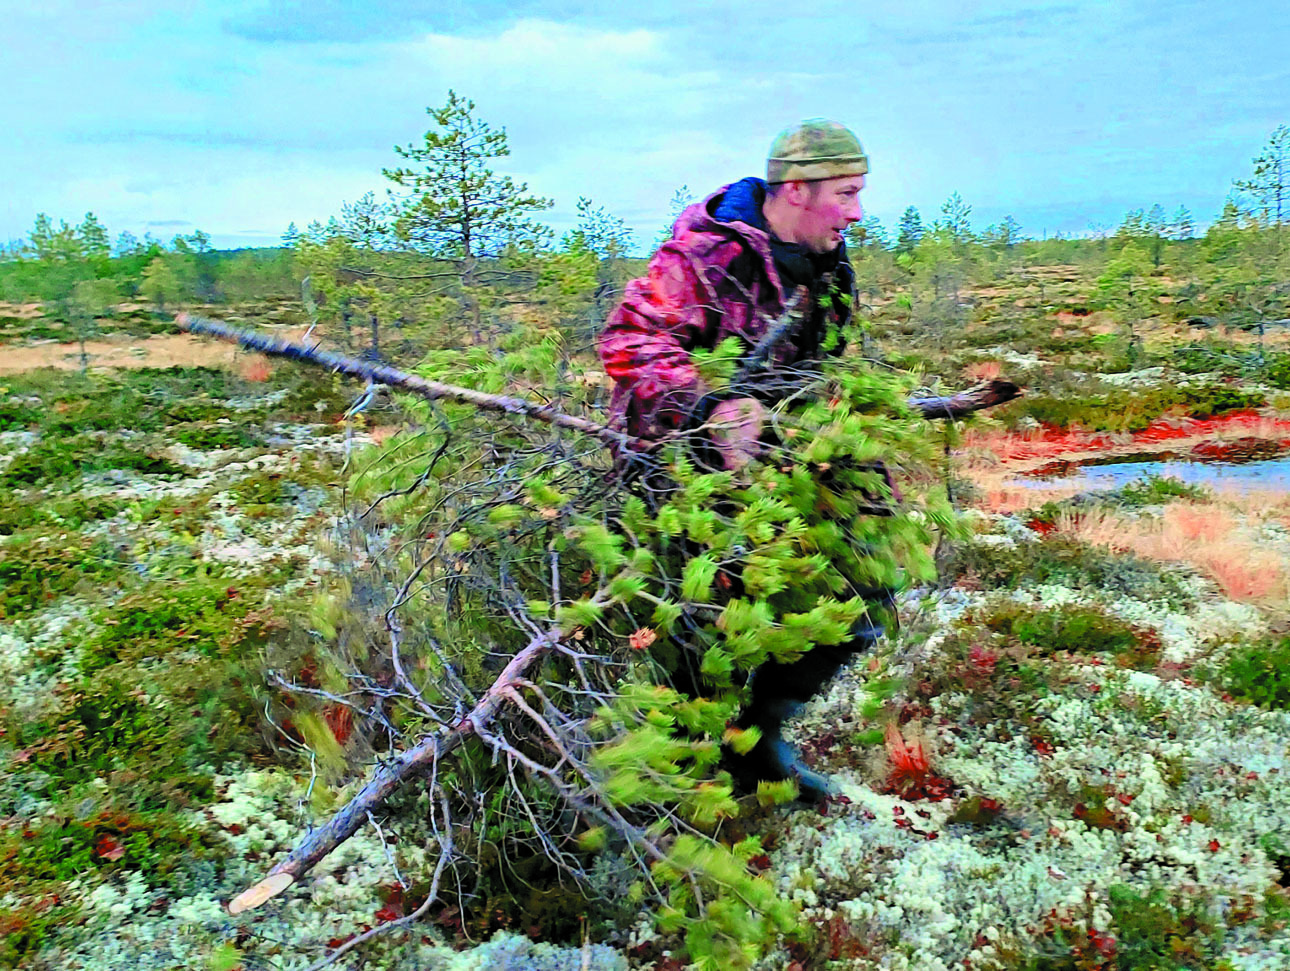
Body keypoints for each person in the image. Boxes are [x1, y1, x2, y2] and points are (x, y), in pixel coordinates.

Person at [597, 119, 884, 801]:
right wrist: (709, 405)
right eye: (845, 193)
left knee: (865, 588)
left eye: (859, 193)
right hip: (674, 474)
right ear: (795, 189)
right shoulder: (701, 258)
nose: (858, 212)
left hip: (774, 466)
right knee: (693, 645)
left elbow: (810, 368)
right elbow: (627, 339)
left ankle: (757, 745)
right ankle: (668, 796)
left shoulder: (825, 263)